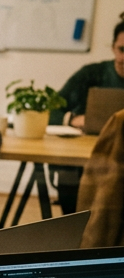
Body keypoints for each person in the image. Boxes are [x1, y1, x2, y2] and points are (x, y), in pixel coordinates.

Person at [48, 13, 124, 214]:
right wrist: (72, 119)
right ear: (113, 47)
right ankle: (75, 223)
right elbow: (50, 110)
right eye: (122, 50)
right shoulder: (91, 74)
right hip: (85, 158)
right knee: (68, 172)